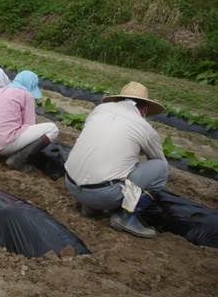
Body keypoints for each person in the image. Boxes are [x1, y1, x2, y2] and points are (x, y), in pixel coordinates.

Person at [64, 81, 168, 239]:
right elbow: (158, 160)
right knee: (161, 168)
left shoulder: (99, 110)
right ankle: (126, 217)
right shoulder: (143, 126)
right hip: (102, 196)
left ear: (119, 99)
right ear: (145, 108)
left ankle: (89, 207)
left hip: (70, 184)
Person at [0, 71, 59, 171]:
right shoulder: (26, 94)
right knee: (53, 128)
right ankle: (17, 160)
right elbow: (29, 124)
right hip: (2, 143)